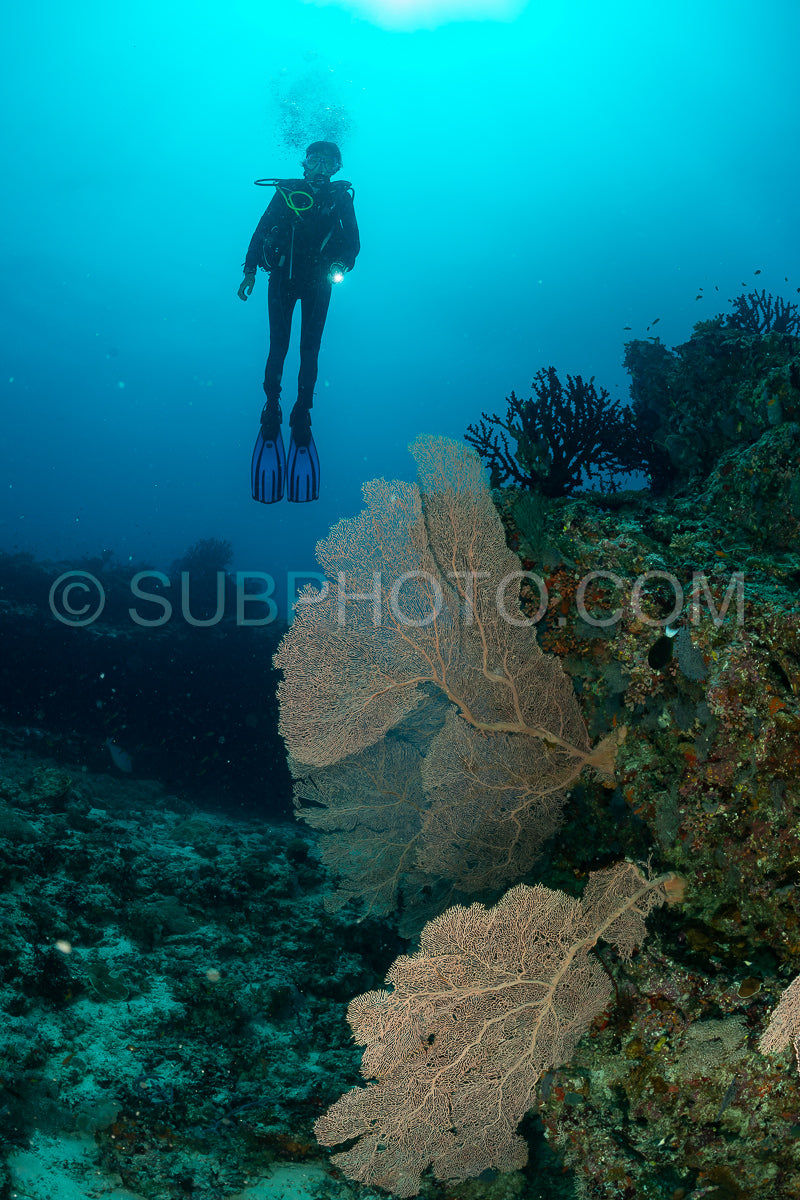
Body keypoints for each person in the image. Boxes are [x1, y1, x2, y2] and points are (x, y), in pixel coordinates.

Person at [239, 141, 360, 502]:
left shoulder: (341, 198)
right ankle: (272, 406)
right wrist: (249, 271)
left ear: (336, 168)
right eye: (315, 160)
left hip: (320, 283)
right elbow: (261, 230)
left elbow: (352, 242)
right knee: (279, 346)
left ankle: (302, 411)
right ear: (304, 163)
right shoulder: (287, 191)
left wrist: (341, 265)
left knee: (310, 349)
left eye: (328, 162)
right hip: (282, 279)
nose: (320, 167)